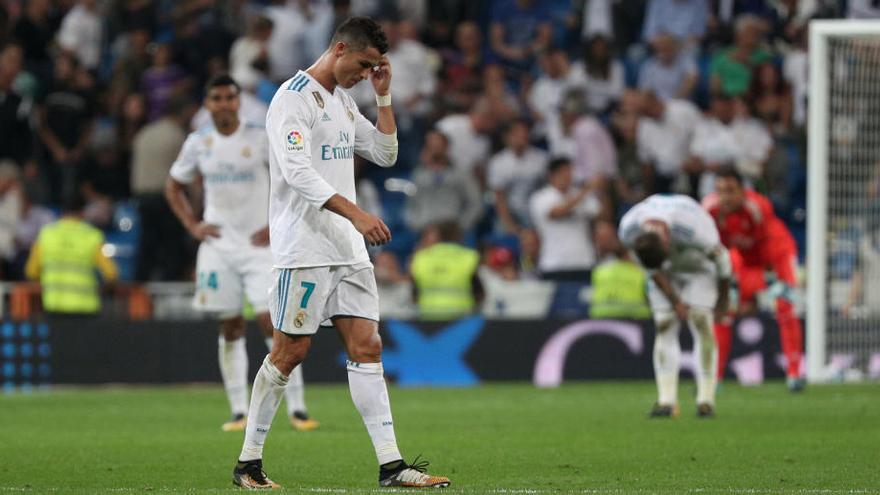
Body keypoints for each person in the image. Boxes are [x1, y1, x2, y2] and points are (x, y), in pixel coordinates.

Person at [231, 17, 450, 489]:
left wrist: (384, 96)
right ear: (339, 48)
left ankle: (392, 466)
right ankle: (248, 463)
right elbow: (296, 172)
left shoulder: (345, 102)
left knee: (368, 346)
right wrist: (356, 213)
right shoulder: (291, 98)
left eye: (375, 66)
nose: (366, 72)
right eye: (364, 64)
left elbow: (386, 153)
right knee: (291, 351)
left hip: (347, 249)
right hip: (305, 246)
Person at [165, 75, 318, 433]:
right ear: (207, 103)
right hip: (218, 246)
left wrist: (274, 221)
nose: (223, 104)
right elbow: (174, 185)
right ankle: (238, 410)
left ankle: (297, 408)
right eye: (216, 98)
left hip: (259, 247)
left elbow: (294, 177)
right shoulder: (198, 142)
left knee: (274, 323)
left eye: (229, 97)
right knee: (230, 324)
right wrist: (192, 224)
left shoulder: (260, 137)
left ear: (238, 102)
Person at [619, 194, 732, 418]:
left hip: (698, 265)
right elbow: (652, 268)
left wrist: (722, 301)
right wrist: (675, 301)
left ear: (667, 240)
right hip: (663, 271)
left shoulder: (693, 229)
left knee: (701, 320)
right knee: (664, 323)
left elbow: (723, 260)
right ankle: (667, 402)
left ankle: (706, 400)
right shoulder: (628, 229)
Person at [702, 168, 805, 391]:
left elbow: (764, 249)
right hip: (743, 260)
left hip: (776, 256)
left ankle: (795, 374)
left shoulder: (757, 207)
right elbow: (716, 249)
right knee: (724, 310)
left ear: (743, 191)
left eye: (730, 191)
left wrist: (759, 295)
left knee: (786, 307)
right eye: (720, 191)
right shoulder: (710, 209)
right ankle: (714, 378)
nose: (725, 197)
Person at [25, 193, 118, 315]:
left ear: (62, 211)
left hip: (54, 306)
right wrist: (103, 291)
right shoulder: (92, 236)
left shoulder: (46, 235)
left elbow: (31, 272)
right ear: (82, 211)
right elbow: (111, 274)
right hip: (86, 308)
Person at [528, 157, 601, 281]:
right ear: (551, 176)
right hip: (554, 264)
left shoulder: (580, 194)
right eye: (563, 172)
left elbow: (599, 213)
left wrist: (600, 189)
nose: (568, 176)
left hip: (584, 262)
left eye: (569, 171)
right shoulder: (541, 198)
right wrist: (586, 190)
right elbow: (557, 212)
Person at [410, 221, 482, 320]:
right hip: (461, 316)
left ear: (439, 236)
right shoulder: (470, 256)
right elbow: (479, 292)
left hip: (428, 315)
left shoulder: (420, 257)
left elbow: (414, 293)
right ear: (459, 236)